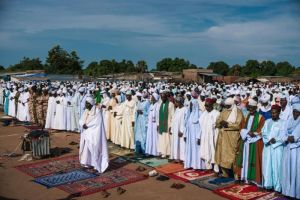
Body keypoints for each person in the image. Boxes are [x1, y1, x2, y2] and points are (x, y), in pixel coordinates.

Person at [235, 99, 265, 185]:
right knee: (244, 159)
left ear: (256, 107)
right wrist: (247, 132)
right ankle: (243, 176)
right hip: (245, 141)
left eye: (252, 107)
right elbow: (241, 127)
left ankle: (252, 179)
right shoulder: (245, 116)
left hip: (254, 141)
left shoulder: (260, 118)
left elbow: (261, 130)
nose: (250, 109)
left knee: (252, 159)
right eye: (249, 107)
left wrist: (254, 133)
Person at [79, 97, 109, 173]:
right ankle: (88, 163)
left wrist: (87, 126)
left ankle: (97, 164)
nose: (86, 105)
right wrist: (83, 124)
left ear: (91, 104)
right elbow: (81, 119)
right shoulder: (86, 111)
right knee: (87, 148)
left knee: (95, 148)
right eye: (86, 103)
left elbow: (97, 123)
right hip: (87, 133)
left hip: (94, 133)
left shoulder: (97, 111)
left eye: (87, 103)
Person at [215, 97, 244, 177]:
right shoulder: (223, 111)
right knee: (222, 154)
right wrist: (220, 123)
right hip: (223, 136)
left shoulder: (238, 112)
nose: (227, 107)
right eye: (226, 105)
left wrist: (227, 124)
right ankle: (225, 173)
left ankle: (236, 174)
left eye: (228, 105)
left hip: (232, 137)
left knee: (233, 155)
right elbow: (218, 121)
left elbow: (239, 125)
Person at [261, 104, 286, 192]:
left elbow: (284, 136)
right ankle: (268, 184)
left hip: (277, 148)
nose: (273, 115)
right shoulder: (267, 121)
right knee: (267, 166)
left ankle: (278, 187)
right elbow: (263, 132)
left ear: (279, 113)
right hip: (268, 147)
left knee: (277, 167)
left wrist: (276, 140)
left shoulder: (283, 123)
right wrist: (267, 140)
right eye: (272, 113)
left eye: (275, 113)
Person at [281, 102, 300, 199]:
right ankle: (287, 191)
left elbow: (294, 138)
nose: (295, 114)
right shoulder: (288, 121)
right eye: (294, 112)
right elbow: (282, 135)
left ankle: (295, 193)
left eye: (297, 112)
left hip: (296, 150)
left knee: (295, 170)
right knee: (287, 170)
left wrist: (287, 137)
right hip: (287, 149)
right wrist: (287, 137)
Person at [184, 92, 204, 169]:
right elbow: (186, 125)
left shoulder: (200, 114)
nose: (191, 106)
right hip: (189, 137)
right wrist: (185, 134)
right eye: (190, 105)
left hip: (196, 137)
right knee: (190, 150)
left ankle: (198, 166)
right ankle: (191, 164)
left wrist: (199, 137)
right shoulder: (190, 114)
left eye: (192, 105)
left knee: (196, 150)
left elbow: (202, 127)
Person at [200, 98, 220, 172]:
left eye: (208, 106)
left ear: (212, 105)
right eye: (205, 106)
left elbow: (215, 124)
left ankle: (216, 169)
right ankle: (208, 167)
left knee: (213, 150)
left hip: (213, 135)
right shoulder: (204, 113)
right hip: (205, 135)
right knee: (206, 150)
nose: (206, 107)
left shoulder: (216, 113)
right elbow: (201, 124)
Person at [157, 91, 175, 158]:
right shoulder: (160, 104)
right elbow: (158, 115)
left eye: (164, 97)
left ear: (166, 97)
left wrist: (171, 126)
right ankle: (163, 152)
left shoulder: (170, 104)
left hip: (168, 124)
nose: (162, 99)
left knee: (168, 139)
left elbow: (173, 116)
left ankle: (168, 152)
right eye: (161, 97)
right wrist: (158, 124)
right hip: (161, 124)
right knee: (162, 139)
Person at [170, 96, 186, 162]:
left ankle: (183, 158)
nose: (175, 103)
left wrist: (182, 130)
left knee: (181, 144)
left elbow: (184, 121)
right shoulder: (177, 109)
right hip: (175, 129)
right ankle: (177, 157)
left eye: (176, 102)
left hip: (180, 131)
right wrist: (171, 128)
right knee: (175, 143)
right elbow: (173, 119)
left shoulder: (185, 109)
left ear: (179, 102)